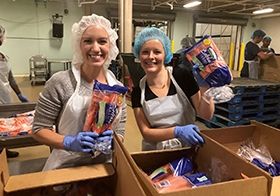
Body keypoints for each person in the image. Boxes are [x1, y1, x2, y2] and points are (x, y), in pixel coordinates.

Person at [32, 13, 127, 171]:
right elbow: (39, 129)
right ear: (78, 45)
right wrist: (69, 142)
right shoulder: (61, 82)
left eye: (102, 41)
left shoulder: (116, 87)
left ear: (110, 46)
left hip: (103, 168)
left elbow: (120, 130)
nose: (96, 48)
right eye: (88, 41)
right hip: (64, 167)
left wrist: (114, 141)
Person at [131, 27, 215, 151]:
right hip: (155, 154)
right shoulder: (138, 91)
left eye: (157, 52)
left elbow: (206, 115)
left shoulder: (181, 77)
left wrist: (205, 89)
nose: (151, 57)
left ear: (165, 54)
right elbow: (146, 133)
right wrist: (177, 131)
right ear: (138, 55)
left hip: (187, 151)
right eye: (145, 52)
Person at [0, 25, 29, 158]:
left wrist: (19, 94)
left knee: (5, 125)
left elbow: (11, 79)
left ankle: (4, 150)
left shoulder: (5, 58)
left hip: (5, 96)